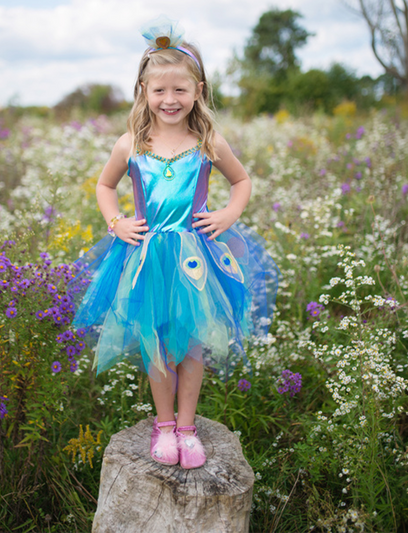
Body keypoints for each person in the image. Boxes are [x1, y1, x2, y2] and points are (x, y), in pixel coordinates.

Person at [69, 16, 279, 470]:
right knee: (155, 342)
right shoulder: (131, 143)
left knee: (193, 344)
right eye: (159, 90)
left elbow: (241, 180)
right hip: (144, 255)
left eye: (180, 90)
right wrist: (115, 222)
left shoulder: (206, 141)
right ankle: (164, 426)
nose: (170, 99)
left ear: (198, 91)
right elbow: (104, 187)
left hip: (196, 258)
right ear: (143, 91)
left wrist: (228, 212)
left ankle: (187, 427)